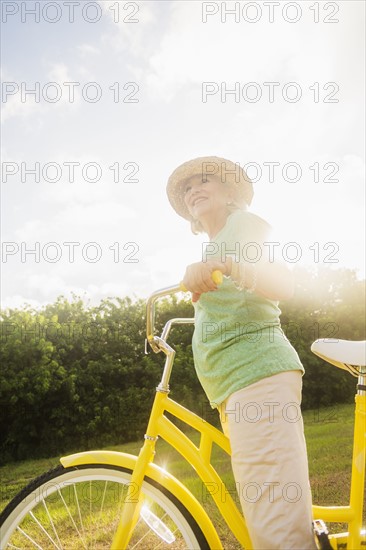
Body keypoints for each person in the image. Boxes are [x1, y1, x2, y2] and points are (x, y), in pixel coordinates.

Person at [166, 156, 317, 550]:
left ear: (230, 192)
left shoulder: (243, 226)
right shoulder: (212, 246)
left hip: (257, 375)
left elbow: (283, 283)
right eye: (187, 188)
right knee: (268, 505)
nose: (193, 189)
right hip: (238, 385)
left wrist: (228, 265)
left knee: (276, 525)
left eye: (205, 181)